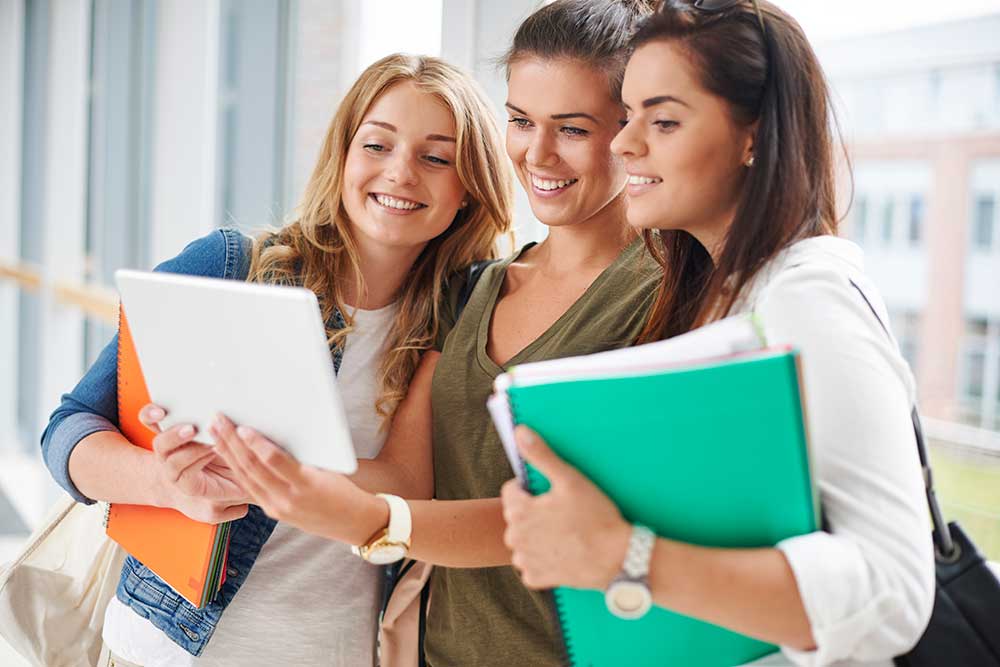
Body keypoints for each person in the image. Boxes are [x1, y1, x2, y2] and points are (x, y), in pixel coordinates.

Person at [207, 2, 661, 665]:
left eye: (572, 128)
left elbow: (568, 518)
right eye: (521, 121)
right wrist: (249, 462)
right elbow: (408, 474)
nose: (537, 153)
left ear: (631, 130)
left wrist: (370, 521)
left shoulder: (663, 295)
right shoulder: (474, 288)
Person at [38, 53, 513, 667]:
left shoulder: (454, 316)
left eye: (436, 157)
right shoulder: (234, 268)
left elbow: (404, 485)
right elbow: (69, 432)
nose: (400, 173)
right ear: (342, 155)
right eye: (377, 145)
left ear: (469, 190)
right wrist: (169, 483)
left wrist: (266, 465)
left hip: (332, 649)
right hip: (166, 649)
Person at [498, 2, 936, 666]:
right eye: (629, 113)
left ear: (752, 137)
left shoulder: (807, 299)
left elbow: (894, 595)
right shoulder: (710, 295)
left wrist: (624, 553)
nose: (623, 142)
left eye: (664, 120)